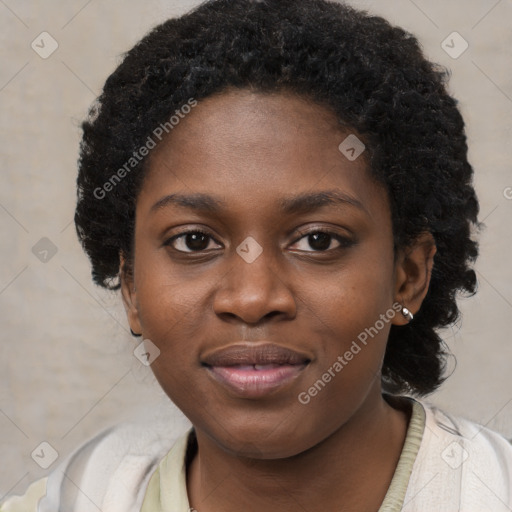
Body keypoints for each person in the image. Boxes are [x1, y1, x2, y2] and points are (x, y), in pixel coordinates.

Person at [2, 0, 511, 510]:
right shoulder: (75, 498)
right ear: (131, 285)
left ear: (408, 276)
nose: (252, 298)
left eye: (318, 240)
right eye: (194, 241)